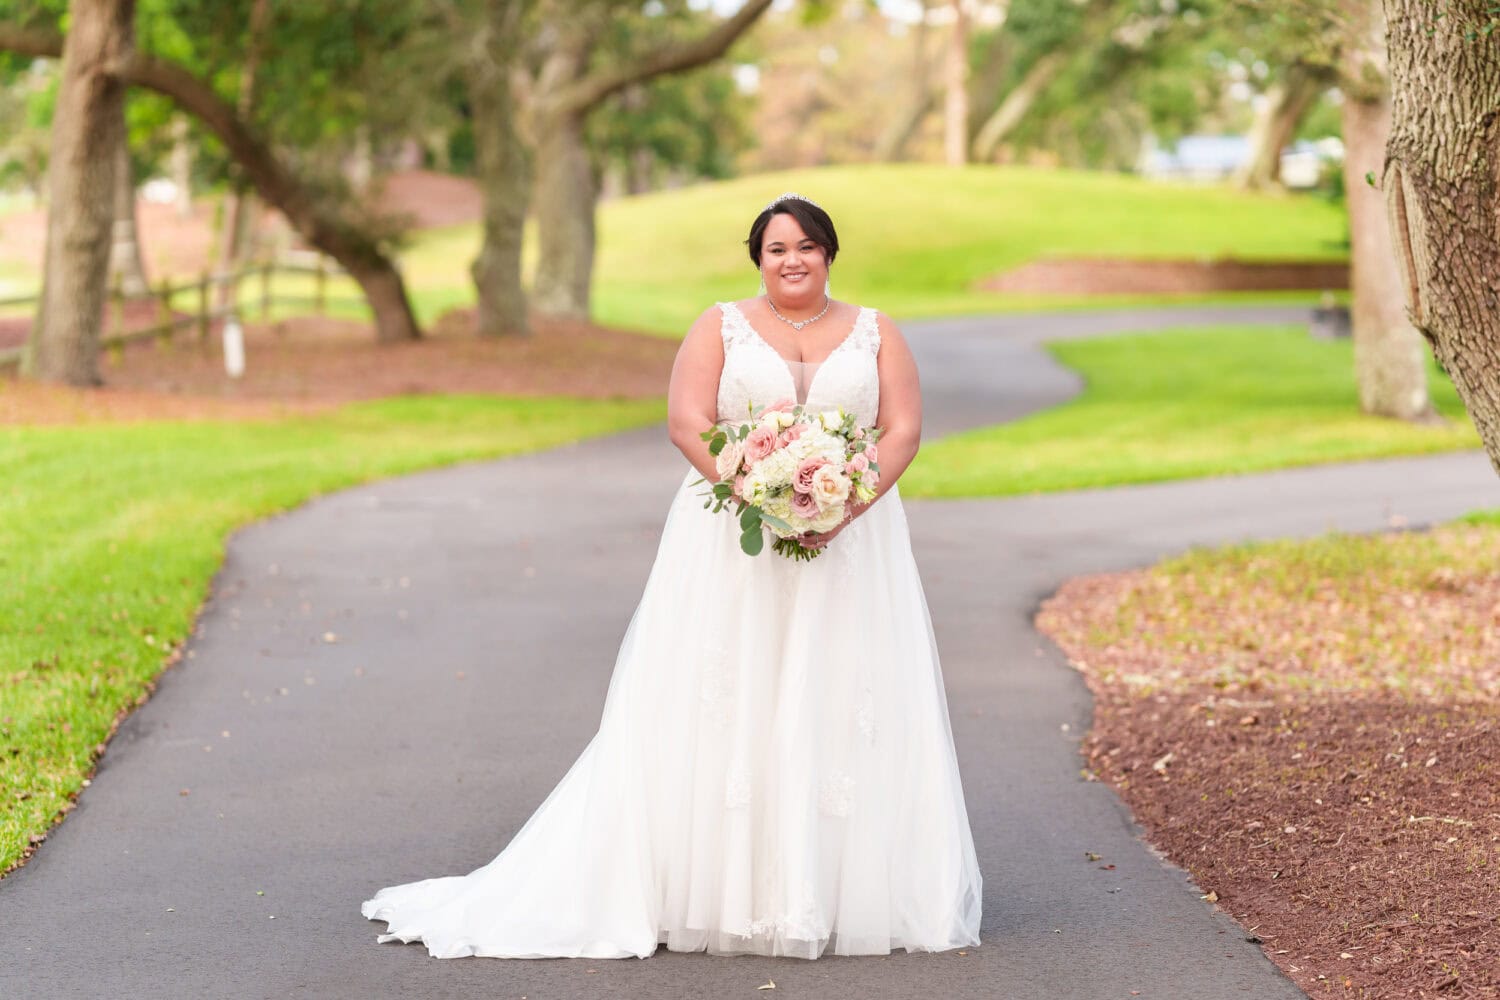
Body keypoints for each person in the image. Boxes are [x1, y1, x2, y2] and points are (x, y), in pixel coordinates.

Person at [360, 194, 983, 959]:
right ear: (758, 257)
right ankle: (712, 890)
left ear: (830, 254)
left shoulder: (876, 331)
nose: (793, 260)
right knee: (724, 691)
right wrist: (759, 489)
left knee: (840, 689)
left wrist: (843, 507)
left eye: (807, 247)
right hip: (732, 537)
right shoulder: (718, 324)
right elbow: (687, 420)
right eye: (777, 248)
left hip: (852, 542)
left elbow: (905, 428)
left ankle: (827, 891)